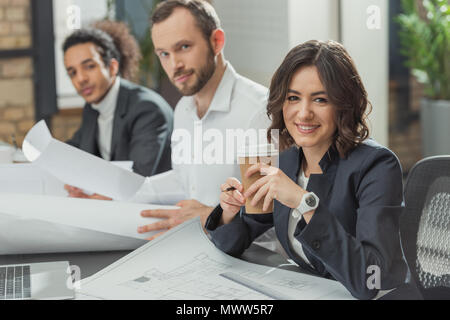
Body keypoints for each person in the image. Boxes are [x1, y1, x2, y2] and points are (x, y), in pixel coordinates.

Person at [205, 40, 422, 300]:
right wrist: (230, 212)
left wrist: (303, 202)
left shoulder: (376, 165)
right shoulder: (286, 160)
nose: (304, 113)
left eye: (320, 99)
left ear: (343, 105)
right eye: (293, 98)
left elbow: (371, 278)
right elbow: (232, 243)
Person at [132, 0, 270, 239]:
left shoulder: (258, 111)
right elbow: (186, 179)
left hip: (249, 255)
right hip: (197, 243)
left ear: (216, 42)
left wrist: (210, 216)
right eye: (164, 54)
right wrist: (123, 195)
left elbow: (267, 216)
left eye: (184, 47)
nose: (174, 65)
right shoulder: (184, 108)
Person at [63, 21, 174, 181]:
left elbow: (137, 178)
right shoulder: (92, 108)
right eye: (72, 72)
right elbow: (76, 149)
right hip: (112, 200)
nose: (80, 79)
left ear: (113, 67)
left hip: (150, 202)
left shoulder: (147, 109)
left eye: (89, 66)